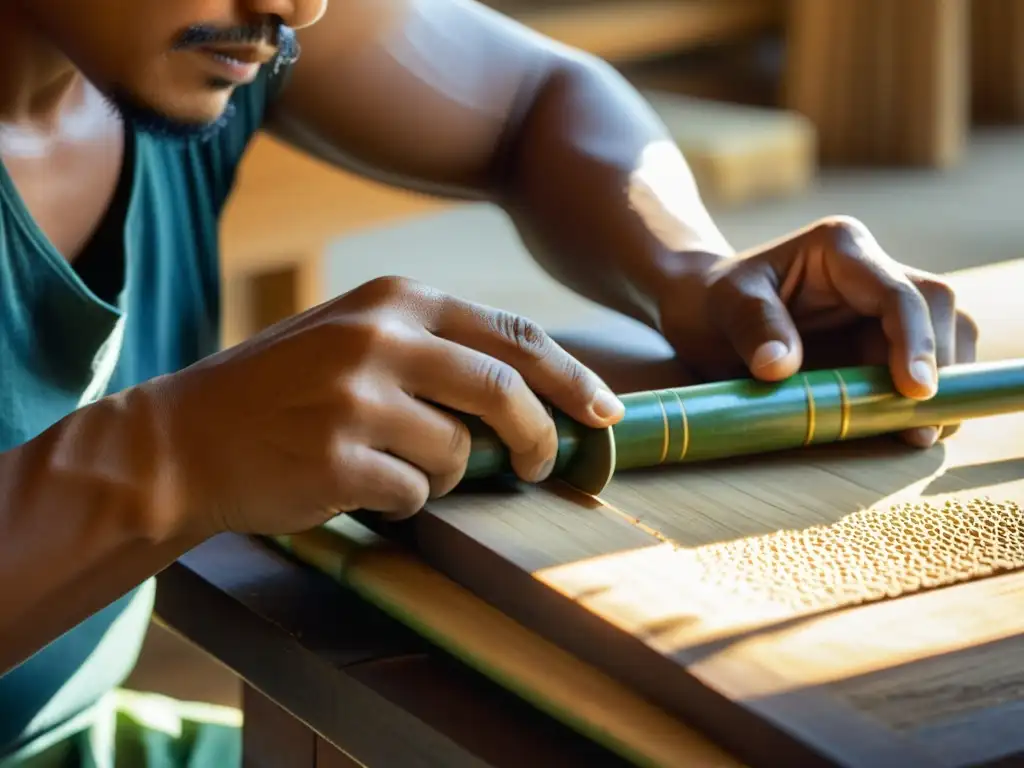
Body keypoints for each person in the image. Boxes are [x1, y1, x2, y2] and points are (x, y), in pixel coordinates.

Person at [0, 0, 977, 765]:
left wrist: (691, 275)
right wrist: (172, 455)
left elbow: (531, 99)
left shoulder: (195, 33)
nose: (300, 8)